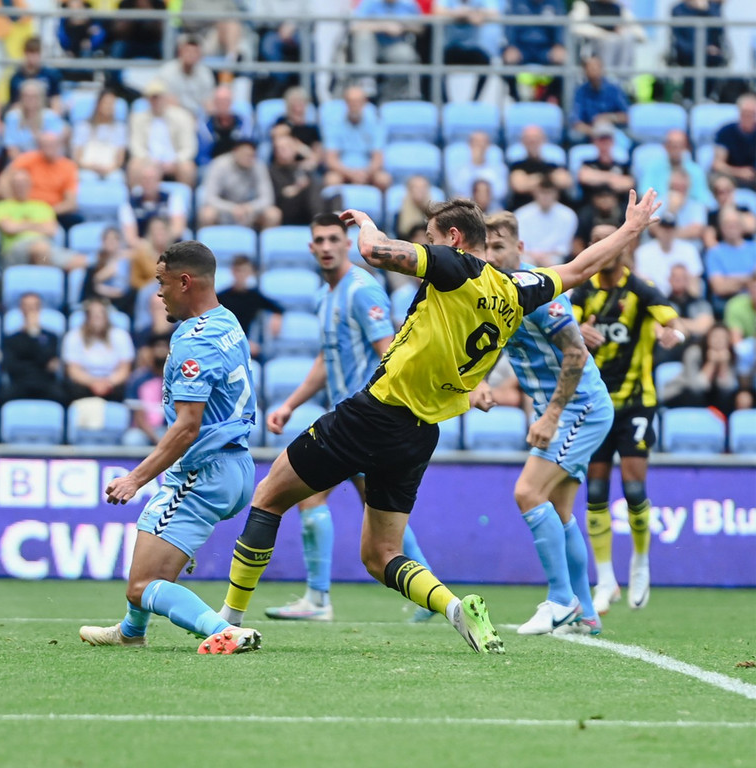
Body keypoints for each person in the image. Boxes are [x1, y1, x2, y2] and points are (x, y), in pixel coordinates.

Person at [216, 190, 664, 654]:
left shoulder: (455, 267)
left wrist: (367, 221)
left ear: (453, 238)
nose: (427, 245)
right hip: (419, 434)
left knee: (269, 496)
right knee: (381, 555)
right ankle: (454, 608)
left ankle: (227, 621)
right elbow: (579, 268)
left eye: (430, 238)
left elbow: (372, 251)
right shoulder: (517, 288)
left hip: (376, 411)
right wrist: (631, 229)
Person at [79, 240, 262, 655]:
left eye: (161, 283)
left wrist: (135, 478)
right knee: (151, 544)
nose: (157, 292)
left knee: (143, 585)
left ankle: (224, 630)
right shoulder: (226, 320)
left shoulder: (194, 342)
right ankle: (130, 631)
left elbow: (186, 428)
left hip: (202, 472)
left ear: (184, 281)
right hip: (235, 464)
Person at [262, 214, 433, 622]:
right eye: (318, 239)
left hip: (364, 419)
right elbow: (327, 357)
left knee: (308, 495)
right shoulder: (326, 296)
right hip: (347, 416)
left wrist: (388, 408)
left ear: (346, 243)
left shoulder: (361, 289)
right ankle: (428, 587)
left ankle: (318, 599)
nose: (325, 246)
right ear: (310, 247)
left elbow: (388, 348)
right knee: (377, 511)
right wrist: (290, 404)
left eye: (332, 239)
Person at [479, 212, 614, 635]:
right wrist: (479, 381)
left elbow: (575, 355)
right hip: (561, 410)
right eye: (484, 247)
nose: (491, 255)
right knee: (559, 510)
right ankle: (587, 613)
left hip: (580, 408)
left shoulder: (535, 289)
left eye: (499, 246)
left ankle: (561, 599)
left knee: (527, 492)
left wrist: (550, 417)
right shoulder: (493, 295)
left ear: (520, 250)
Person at [572, 228, 687, 614]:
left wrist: (675, 333)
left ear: (626, 248)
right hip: (597, 404)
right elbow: (562, 329)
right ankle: (605, 579)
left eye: (617, 242)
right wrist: (577, 332)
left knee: (635, 491)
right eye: (600, 242)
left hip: (637, 403)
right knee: (597, 491)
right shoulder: (584, 291)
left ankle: (640, 561)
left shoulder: (641, 288)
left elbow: (670, 318)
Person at [62, 299, 136, 403]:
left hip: (113, 384)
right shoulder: (73, 336)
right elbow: (73, 370)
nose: (97, 319)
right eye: (93, 315)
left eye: (100, 314)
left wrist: (107, 383)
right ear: (87, 317)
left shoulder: (121, 335)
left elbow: (124, 369)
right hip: (84, 384)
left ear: (107, 316)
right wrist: (93, 382)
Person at [197, 140, 281, 231]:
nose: (249, 158)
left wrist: (250, 207)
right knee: (207, 214)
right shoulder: (219, 164)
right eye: (245, 155)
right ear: (235, 152)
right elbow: (210, 198)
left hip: (248, 211)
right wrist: (232, 208)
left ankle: (264, 244)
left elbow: (267, 198)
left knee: (273, 214)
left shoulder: (258, 166)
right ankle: (206, 244)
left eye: (252, 155)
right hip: (224, 211)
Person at [128, 81, 199, 187]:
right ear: (147, 99)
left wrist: (174, 161)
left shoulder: (182, 116)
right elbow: (136, 146)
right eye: (153, 97)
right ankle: (136, 200)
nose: (156, 101)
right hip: (148, 160)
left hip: (175, 162)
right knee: (134, 166)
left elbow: (189, 147)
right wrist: (150, 161)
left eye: (159, 97)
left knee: (187, 168)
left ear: (166, 98)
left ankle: (185, 200)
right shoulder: (137, 118)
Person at [351, 0, 425, 102]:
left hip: (395, 46)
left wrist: (402, 26)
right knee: (363, 36)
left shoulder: (409, 4)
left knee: (406, 55)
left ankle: (389, 99)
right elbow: (355, 26)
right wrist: (383, 26)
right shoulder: (369, 2)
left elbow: (420, 27)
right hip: (372, 47)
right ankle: (366, 80)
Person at [8, 132, 81, 231]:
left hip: (54, 211)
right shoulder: (28, 159)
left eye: (51, 145)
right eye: (45, 145)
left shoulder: (68, 166)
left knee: (76, 220)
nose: (48, 148)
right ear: (39, 146)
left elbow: (71, 203)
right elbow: (5, 179)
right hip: (26, 209)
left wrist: (44, 212)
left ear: (59, 146)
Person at [2, 292, 67, 404]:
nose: (31, 310)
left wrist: (34, 335)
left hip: (45, 382)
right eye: (27, 307)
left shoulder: (51, 337)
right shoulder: (11, 339)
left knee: (62, 396)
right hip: (20, 382)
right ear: (21, 309)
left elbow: (50, 366)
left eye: (34, 307)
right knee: (4, 397)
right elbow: (11, 366)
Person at [324, 86, 391, 192]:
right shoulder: (333, 124)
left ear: (365, 103)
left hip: (368, 172)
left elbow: (378, 158)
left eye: (358, 101)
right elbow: (331, 159)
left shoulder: (376, 124)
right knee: (331, 180)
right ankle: (334, 209)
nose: (354, 105)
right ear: (345, 103)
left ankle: (383, 208)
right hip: (343, 171)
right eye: (351, 101)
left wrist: (365, 173)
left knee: (384, 179)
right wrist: (350, 174)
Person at [217, 256, 282, 357]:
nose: (241, 275)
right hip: (226, 345)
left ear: (250, 273)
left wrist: (277, 316)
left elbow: (278, 307)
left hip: (250, 348)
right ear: (232, 272)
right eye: (238, 271)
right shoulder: (221, 298)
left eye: (245, 271)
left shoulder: (255, 297)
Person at [433, 0, 497, 102]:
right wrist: (456, 14)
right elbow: (436, 12)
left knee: (487, 61)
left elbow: (495, 13)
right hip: (452, 48)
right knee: (436, 61)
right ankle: (445, 103)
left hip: (472, 49)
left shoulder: (478, 3)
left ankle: (474, 101)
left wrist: (476, 13)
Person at [514, 177, 579, 267]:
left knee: (553, 263)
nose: (545, 197)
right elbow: (520, 242)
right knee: (526, 262)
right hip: (528, 255)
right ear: (535, 193)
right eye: (542, 192)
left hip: (554, 257)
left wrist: (545, 256)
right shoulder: (522, 214)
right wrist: (535, 255)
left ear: (556, 194)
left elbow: (564, 247)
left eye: (548, 193)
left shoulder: (568, 215)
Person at [508, 126, 573, 211]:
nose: (533, 141)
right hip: (523, 210)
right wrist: (549, 180)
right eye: (529, 139)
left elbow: (566, 181)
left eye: (536, 138)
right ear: (522, 141)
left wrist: (531, 180)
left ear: (543, 140)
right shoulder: (516, 165)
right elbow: (520, 186)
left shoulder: (553, 164)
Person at [705, 207, 756, 313]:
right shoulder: (714, 253)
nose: (732, 227)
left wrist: (732, 281)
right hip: (727, 304)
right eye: (727, 223)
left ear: (742, 226)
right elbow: (719, 287)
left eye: (735, 223)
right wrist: (749, 279)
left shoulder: (754, 248)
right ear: (721, 227)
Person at [634, 216, 702, 293]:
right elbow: (643, 281)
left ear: (675, 230)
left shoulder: (689, 249)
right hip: (654, 298)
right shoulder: (643, 252)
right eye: (664, 229)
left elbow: (694, 280)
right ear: (658, 230)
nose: (667, 233)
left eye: (670, 229)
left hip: (682, 297)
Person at [2, 81, 67, 160]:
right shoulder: (12, 117)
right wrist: (26, 165)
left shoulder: (51, 117)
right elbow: (11, 148)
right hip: (20, 162)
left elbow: (55, 146)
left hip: (47, 161)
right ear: (20, 98)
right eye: (26, 96)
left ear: (41, 98)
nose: (30, 99)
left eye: (34, 96)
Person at [71, 90, 127, 181]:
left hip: (110, 169)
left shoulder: (120, 128)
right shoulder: (83, 127)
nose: (109, 107)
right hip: (87, 168)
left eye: (112, 104)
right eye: (106, 103)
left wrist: (109, 168)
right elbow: (77, 157)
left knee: (116, 178)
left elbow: (120, 159)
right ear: (98, 104)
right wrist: (92, 167)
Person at [570, 57, 630, 142]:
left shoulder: (614, 89)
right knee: (574, 137)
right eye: (590, 68)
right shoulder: (580, 91)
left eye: (595, 68)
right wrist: (596, 133)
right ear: (585, 71)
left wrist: (608, 118)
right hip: (590, 134)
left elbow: (626, 116)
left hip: (614, 134)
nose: (593, 71)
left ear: (602, 69)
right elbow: (575, 122)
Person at [155, 35, 215, 117]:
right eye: (187, 51)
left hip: (198, 116)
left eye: (195, 51)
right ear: (180, 52)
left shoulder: (205, 73)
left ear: (200, 55)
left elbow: (208, 102)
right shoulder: (167, 71)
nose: (191, 54)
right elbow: (165, 99)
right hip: (174, 116)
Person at [196, 85, 253, 165]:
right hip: (212, 165)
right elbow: (202, 155)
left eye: (226, 100)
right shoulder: (205, 125)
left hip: (238, 164)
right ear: (214, 103)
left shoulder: (243, 123)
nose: (223, 104)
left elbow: (247, 148)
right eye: (219, 101)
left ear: (232, 102)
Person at [577, 123, 634, 201]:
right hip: (590, 206)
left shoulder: (622, 165)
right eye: (601, 140)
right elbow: (584, 177)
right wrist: (613, 177)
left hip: (619, 206)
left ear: (612, 141)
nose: (604, 143)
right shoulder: (587, 163)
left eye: (607, 139)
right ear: (594, 142)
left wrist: (596, 177)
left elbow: (628, 183)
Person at [713, 94, 756, 191]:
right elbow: (717, 164)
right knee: (720, 183)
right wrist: (740, 172)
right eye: (745, 113)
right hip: (731, 177)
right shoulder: (725, 132)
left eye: (752, 113)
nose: (749, 117)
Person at [8, 36, 63, 112]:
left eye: (35, 53)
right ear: (25, 53)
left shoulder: (51, 76)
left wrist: (53, 118)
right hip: (24, 115)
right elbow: (14, 105)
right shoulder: (16, 79)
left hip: (45, 113)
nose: (32, 57)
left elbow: (55, 100)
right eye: (30, 52)